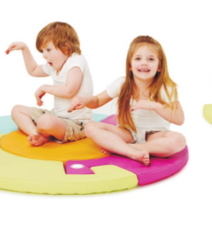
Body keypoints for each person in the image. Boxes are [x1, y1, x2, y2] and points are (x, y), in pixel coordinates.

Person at [69, 35, 185, 165]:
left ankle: (124, 148)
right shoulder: (122, 83)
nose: (144, 63)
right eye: (138, 58)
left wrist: (154, 105)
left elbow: (179, 119)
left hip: (155, 135)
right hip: (127, 133)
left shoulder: (166, 88)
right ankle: (130, 152)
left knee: (178, 140)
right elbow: (97, 101)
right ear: (130, 65)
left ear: (159, 66)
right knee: (90, 127)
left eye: (151, 59)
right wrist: (84, 100)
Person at [5, 21, 93, 146]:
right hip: (56, 116)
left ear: (66, 47)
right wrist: (24, 49)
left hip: (77, 123)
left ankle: (43, 132)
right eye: (42, 51)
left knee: (45, 122)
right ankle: (36, 134)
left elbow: (69, 91)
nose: (44, 55)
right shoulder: (54, 65)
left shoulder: (76, 61)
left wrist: (44, 87)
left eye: (48, 50)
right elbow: (33, 70)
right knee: (17, 110)